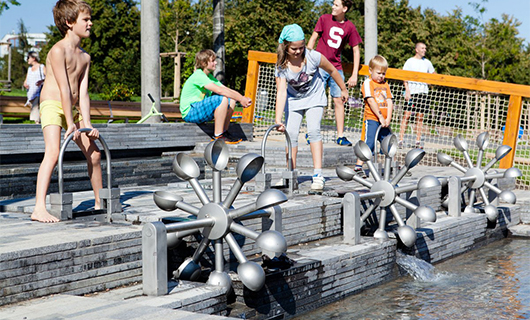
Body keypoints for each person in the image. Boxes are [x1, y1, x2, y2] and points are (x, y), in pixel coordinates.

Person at [31, 0, 102, 223]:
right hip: (52, 103)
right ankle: (39, 208)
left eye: (90, 19)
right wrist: (70, 122)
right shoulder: (57, 50)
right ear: (70, 22)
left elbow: (83, 93)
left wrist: (87, 123)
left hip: (73, 108)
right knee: (52, 152)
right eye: (86, 19)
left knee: (95, 154)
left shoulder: (85, 57)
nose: (90, 23)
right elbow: (63, 87)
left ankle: (101, 203)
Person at [274, 24, 348, 191]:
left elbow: (333, 70)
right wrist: (278, 119)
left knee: (313, 130)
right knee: (291, 134)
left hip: (315, 97)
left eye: (301, 47)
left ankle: (318, 174)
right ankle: (290, 174)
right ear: (286, 46)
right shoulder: (281, 65)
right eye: (294, 48)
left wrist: (343, 89)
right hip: (294, 100)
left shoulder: (313, 56)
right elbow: (281, 92)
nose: (298, 51)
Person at [307, 0, 362, 147]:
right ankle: (311, 131)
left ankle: (340, 136)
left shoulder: (350, 27)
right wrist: (307, 59)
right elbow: (313, 39)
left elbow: (356, 50)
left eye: (336, 5)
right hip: (319, 65)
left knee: (339, 100)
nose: (333, 7)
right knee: (316, 99)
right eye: (333, 3)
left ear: (344, 8)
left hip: (336, 67)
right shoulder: (324, 18)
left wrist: (354, 74)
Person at [179, 49, 252, 144]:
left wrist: (242, 98)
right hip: (190, 112)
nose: (216, 63)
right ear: (204, 63)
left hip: (198, 110)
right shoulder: (199, 75)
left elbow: (226, 89)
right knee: (221, 99)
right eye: (212, 61)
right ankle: (218, 136)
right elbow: (219, 90)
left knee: (231, 100)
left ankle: (224, 133)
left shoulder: (209, 77)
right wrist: (241, 99)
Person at [354, 55, 393, 177]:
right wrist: (380, 116)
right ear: (370, 71)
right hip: (372, 119)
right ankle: (358, 166)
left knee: (389, 143)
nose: (381, 76)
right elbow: (371, 101)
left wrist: (388, 118)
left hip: (384, 121)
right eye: (379, 73)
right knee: (368, 143)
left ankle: (390, 165)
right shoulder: (368, 83)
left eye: (383, 73)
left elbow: (390, 101)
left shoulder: (386, 85)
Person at [398, 42, 435, 149]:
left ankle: (418, 141)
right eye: (422, 48)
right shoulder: (409, 62)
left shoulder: (427, 62)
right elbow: (404, 77)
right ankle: (401, 139)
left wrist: (430, 81)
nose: (424, 50)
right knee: (407, 116)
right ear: (416, 49)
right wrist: (407, 91)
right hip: (412, 93)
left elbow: (434, 75)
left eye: (425, 48)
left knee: (420, 117)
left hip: (423, 93)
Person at [24, 51, 46, 124]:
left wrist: (41, 81)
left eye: (28, 58)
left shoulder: (41, 67)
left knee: (35, 107)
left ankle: (36, 123)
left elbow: (49, 77)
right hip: (30, 92)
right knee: (35, 108)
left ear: (33, 58)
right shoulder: (30, 68)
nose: (27, 60)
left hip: (39, 91)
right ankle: (38, 122)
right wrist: (25, 84)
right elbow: (26, 79)